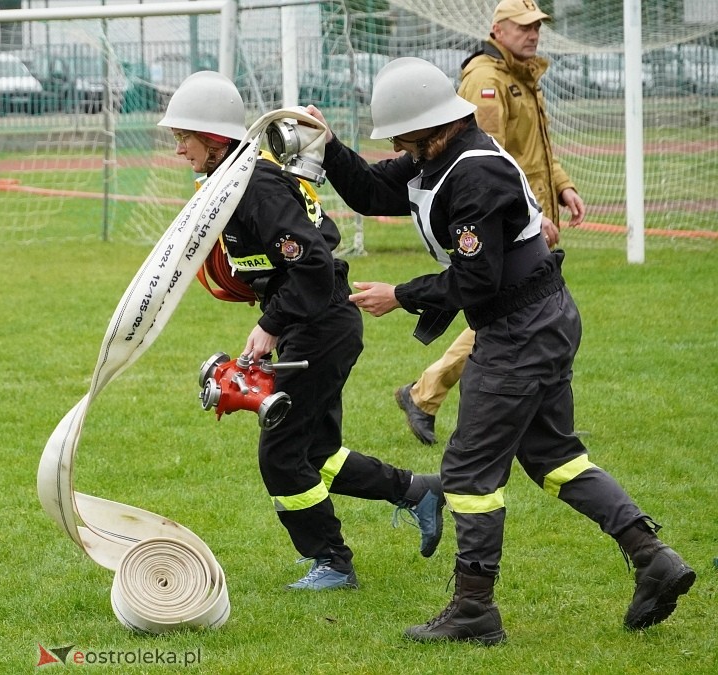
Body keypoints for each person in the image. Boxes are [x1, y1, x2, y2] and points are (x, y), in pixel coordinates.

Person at [308, 57, 694, 643]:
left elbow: (476, 280)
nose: (396, 147)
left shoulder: (474, 172)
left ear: (428, 128)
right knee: (553, 456)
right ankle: (652, 557)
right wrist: (329, 145)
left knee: (465, 473)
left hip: (521, 328)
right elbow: (367, 191)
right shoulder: (436, 157)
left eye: (401, 136)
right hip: (533, 321)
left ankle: (473, 611)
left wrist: (401, 294)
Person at [158, 71, 445, 591]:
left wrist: (270, 325)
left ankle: (332, 561)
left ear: (214, 138)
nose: (179, 149)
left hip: (321, 325)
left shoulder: (256, 187)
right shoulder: (235, 180)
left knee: (282, 454)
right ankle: (417, 490)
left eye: (185, 138)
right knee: (317, 453)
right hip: (311, 321)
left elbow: (312, 264)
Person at [394, 0, 586, 446]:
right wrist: (531, 215)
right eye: (522, 26)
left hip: (529, 212)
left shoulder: (523, 75)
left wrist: (562, 186)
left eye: (537, 25)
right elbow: (489, 161)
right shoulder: (486, 79)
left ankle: (433, 396)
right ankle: (425, 394)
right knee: (514, 313)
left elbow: (536, 147)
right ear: (497, 29)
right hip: (514, 219)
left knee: (523, 313)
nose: (532, 33)